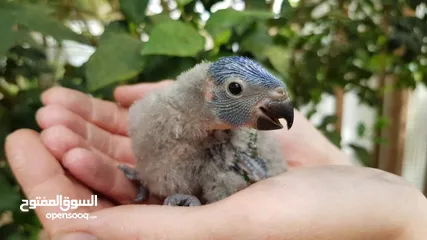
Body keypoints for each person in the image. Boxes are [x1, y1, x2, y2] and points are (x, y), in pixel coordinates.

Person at [5, 81, 427, 240]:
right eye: (241, 91)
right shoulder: (151, 116)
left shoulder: (240, 145)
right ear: (207, 93)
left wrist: (403, 217)